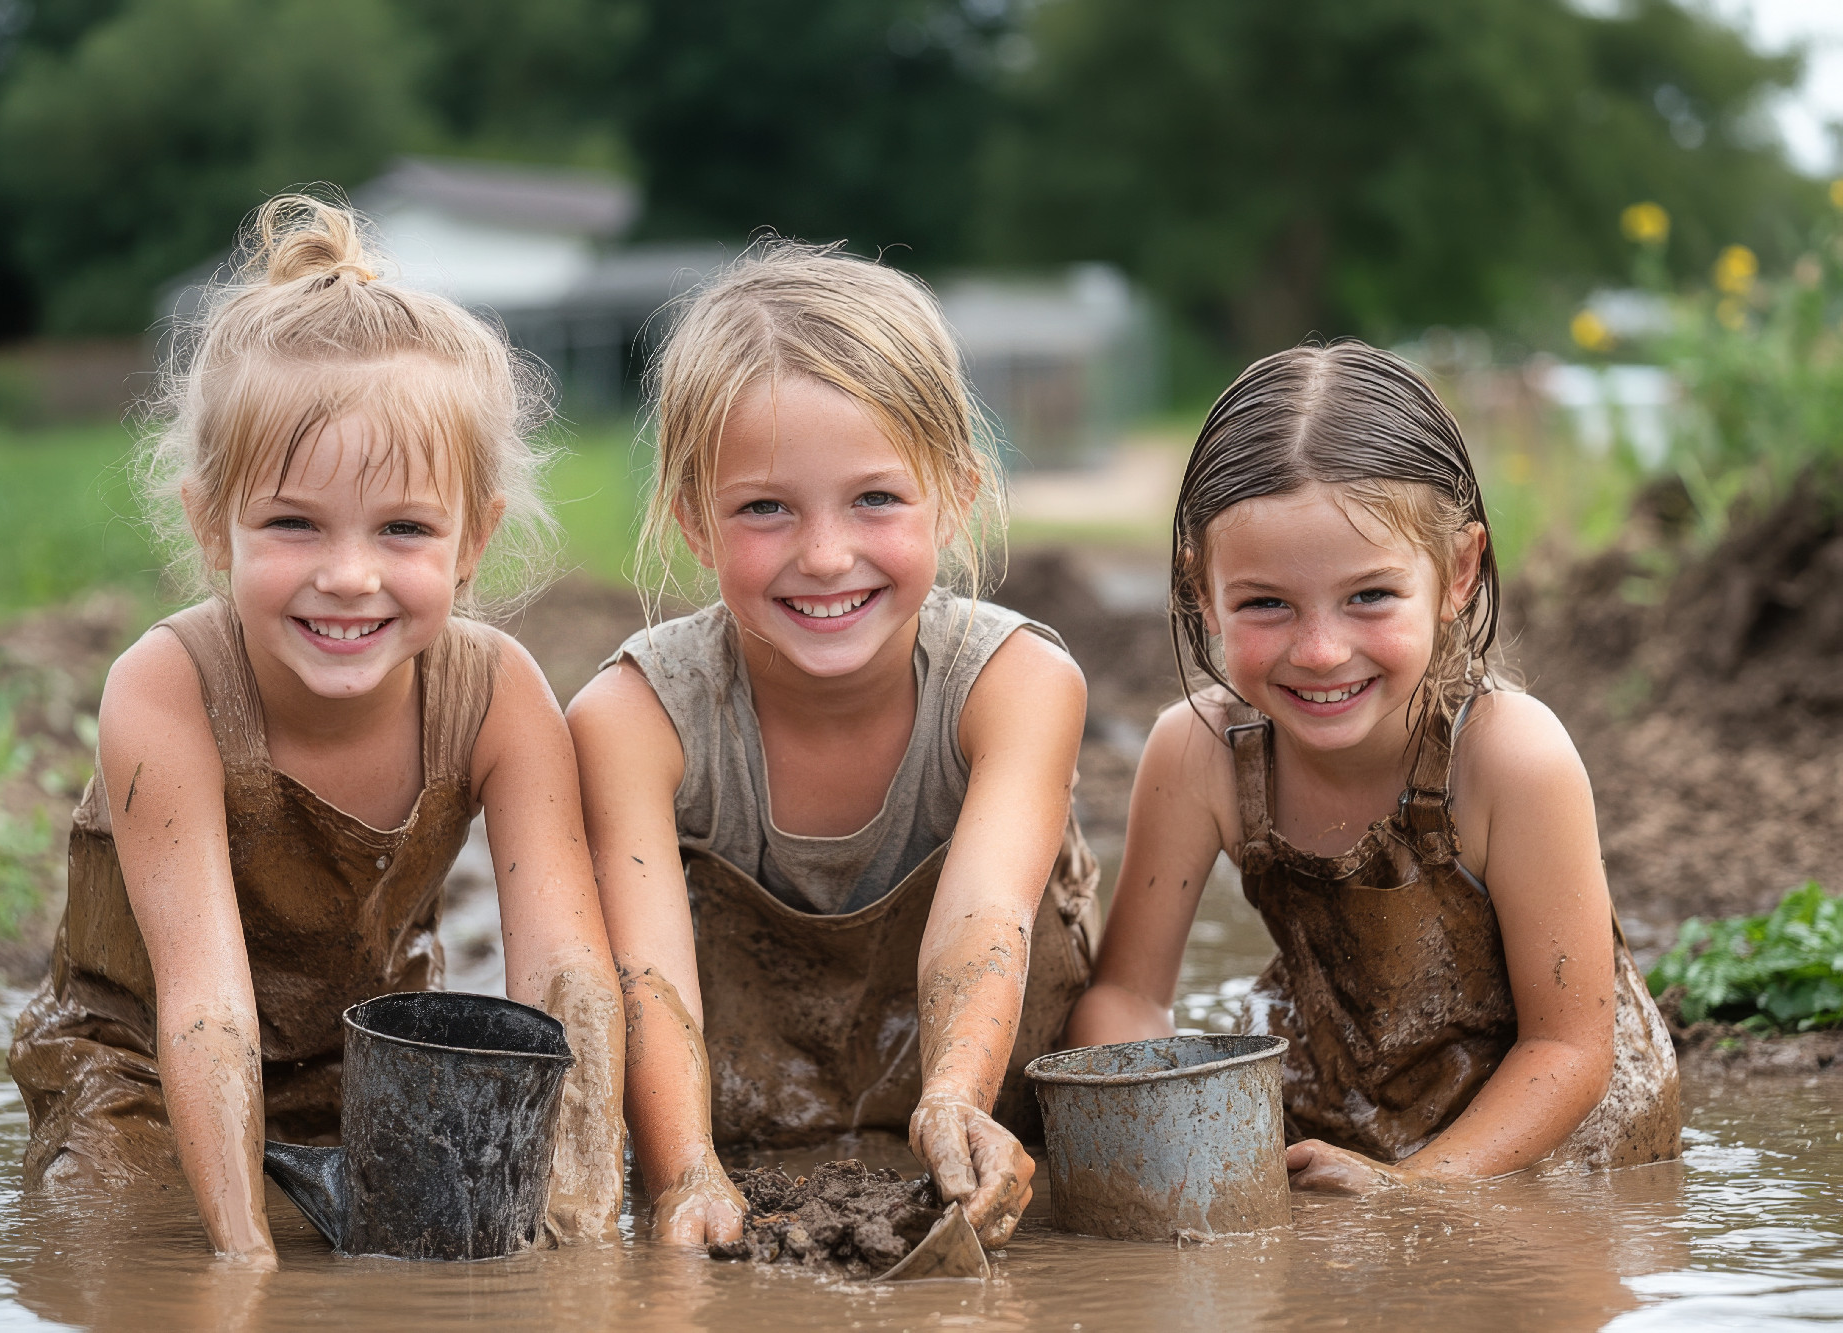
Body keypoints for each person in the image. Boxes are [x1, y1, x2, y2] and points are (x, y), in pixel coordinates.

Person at [7, 195, 626, 1265]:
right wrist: (243, 1259)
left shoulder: (498, 694)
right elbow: (204, 1004)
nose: (348, 575)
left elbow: (564, 975)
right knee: (121, 1246)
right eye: (293, 523)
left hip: (360, 1059)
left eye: (402, 528)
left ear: (472, 537)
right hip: (144, 1062)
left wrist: (579, 1235)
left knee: (450, 1245)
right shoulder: (166, 687)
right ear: (212, 526)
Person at [568, 241, 1100, 1249]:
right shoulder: (632, 718)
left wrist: (951, 1096)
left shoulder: (1015, 685)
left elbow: (985, 913)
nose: (823, 555)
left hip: (986, 1119)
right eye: (764, 508)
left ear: (952, 493)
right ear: (691, 518)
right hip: (740, 1141)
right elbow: (649, 978)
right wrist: (681, 1175)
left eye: (875, 499)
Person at [1068, 340, 1681, 1191]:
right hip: (1354, 1104)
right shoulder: (1197, 753)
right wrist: (1157, 1148)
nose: (1320, 651)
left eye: (1369, 596)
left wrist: (1414, 1189)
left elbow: (1569, 1048)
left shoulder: (1509, 758)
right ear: (1199, 590)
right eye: (1265, 604)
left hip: (1553, 1139)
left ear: (1458, 571)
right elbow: (1130, 997)